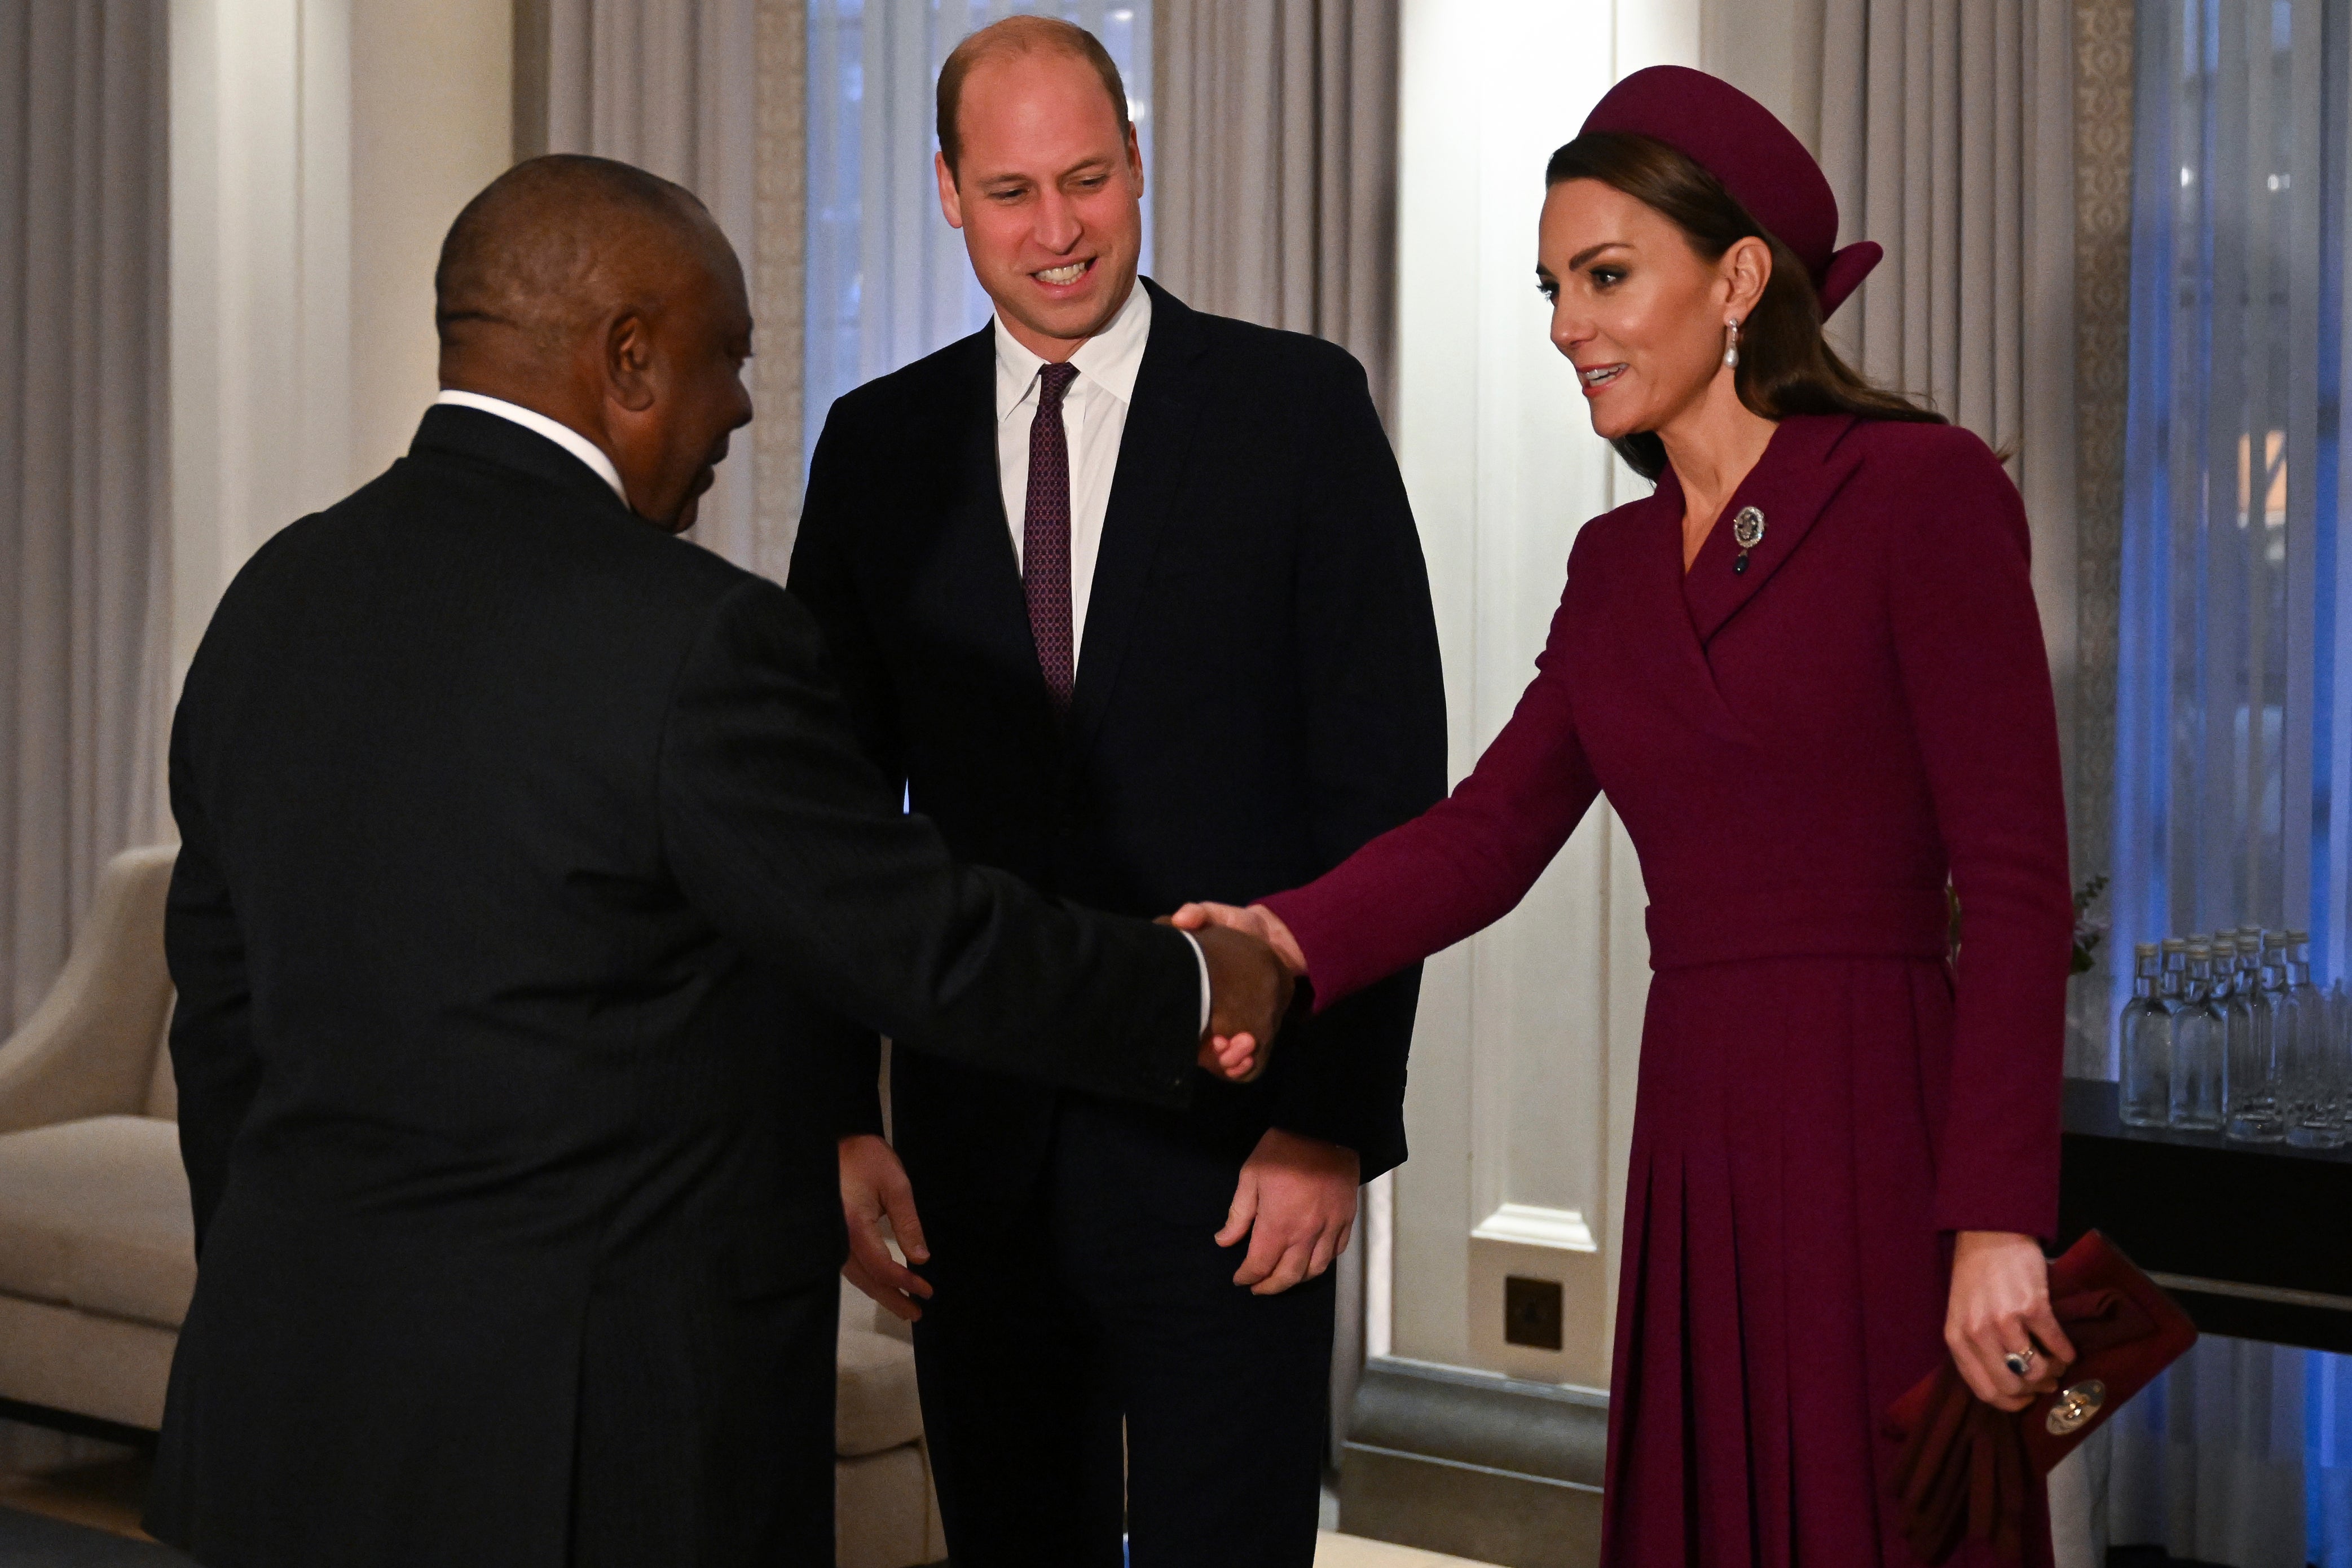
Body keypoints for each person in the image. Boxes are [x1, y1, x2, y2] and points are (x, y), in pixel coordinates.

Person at [148, 153, 1291, 1568]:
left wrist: (292, 1289)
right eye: (726, 357)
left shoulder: (270, 600)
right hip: (590, 1459)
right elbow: (916, 937)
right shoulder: (694, 642)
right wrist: (1197, 981)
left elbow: (224, 1026)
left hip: (282, 1416)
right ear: (631, 359)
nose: (744, 405)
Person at [1177, 67, 2077, 1567]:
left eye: (1604, 276)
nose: (1563, 325)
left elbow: (2019, 881)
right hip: (1700, 1118)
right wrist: (1278, 933)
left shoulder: (1921, 491)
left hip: (1883, 1114)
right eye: (1549, 286)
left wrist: (1994, 1218)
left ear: (1736, 279)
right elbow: (1486, 833)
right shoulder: (1610, 568)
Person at [786, 17, 1445, 1567]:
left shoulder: (1299, 414)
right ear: (948, 194)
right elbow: (818, 810)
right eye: (1011, 190)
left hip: (1237, 1147)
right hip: (971, 1152)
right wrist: (833, 1111)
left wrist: (1333, 1121)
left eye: (1088, 178)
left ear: (1139, 167)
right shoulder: (875, 451)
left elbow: (1385, 797)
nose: (1058, 228)